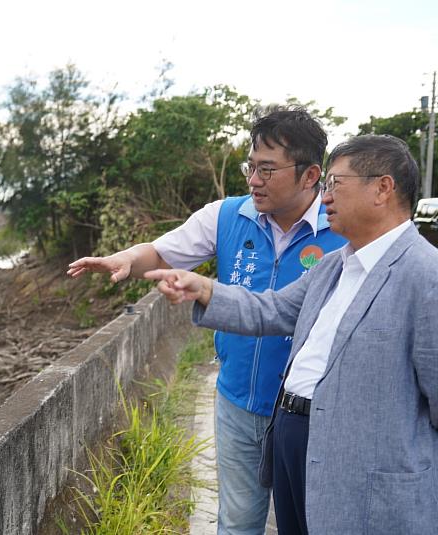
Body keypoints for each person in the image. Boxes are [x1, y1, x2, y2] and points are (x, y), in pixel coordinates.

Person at [68, 106, 346, 534]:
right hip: (237, 399)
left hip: (313, 411)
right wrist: (123, 259)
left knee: (314, 522)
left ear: (311, 176)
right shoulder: (227, 216)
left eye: (267, 170)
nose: (254, 180)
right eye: (250, 166)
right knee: (236, 522)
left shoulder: (343, 230)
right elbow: (161, 253)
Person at [145, 134, 438, 535]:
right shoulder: (335, 265)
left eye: (336, 183)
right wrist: (204, 289)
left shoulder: (426, 275)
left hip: (360, 464)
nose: (326, 195)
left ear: (382, 188)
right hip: (292, 440)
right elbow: (274, 309)